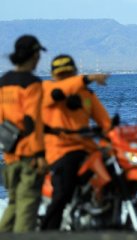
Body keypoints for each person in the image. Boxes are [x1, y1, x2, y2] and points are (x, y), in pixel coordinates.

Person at [41, 54, 112, 230]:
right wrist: (89, 78)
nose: (65, 77)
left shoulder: (85, 94)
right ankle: (46, 231)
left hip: (86, 148)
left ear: (74, 72)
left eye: (68, 73)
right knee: (63, 192)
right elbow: (62, 89)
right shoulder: (47, 89)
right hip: (59, 150)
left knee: (113, 169)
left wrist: (111, 136)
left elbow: (104, 121)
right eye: (61, 74)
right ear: (53, 76)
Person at [0, 35, 47, 232]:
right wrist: (39, 155)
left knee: (13, 204)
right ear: (33, 56)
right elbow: (31, 121)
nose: (39, 60)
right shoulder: (32, 83)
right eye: (37, 55)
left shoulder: (3, 82)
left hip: (9, 153)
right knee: (27, 208)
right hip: (28, 155)